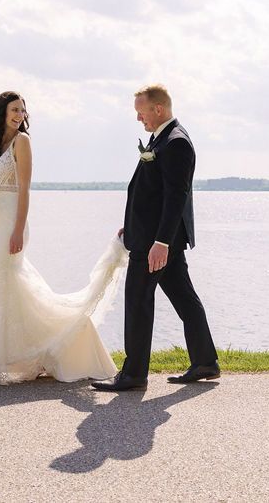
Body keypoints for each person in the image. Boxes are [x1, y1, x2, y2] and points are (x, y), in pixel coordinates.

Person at [0, 91, 125, 386]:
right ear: (0, 113)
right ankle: (28, 354)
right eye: (13, 109)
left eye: (22, 110)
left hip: (13, 221)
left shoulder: (23, 142)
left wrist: (19, 229)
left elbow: (23, 189)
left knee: (1, 281)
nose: (19, 114)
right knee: (7, 285)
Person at [92, 84, 219, 391]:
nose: (139, 118)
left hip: (157, 243)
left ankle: (134, 374)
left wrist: (160, 242)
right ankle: (205, 361)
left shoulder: (176, 143)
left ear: (158, 109)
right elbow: (151, 193)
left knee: (137, 299)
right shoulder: (161, 138)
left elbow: (176, 197)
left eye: (141, 112)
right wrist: (131, 225)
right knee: (184, 297)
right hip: (153, 237)